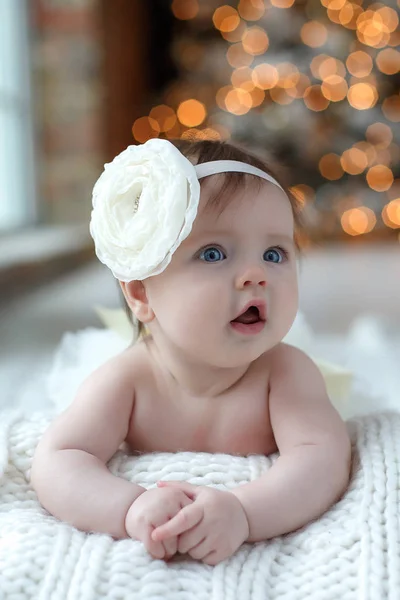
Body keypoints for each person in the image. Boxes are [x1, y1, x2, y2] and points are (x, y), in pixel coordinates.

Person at [31, 137, 351, 566]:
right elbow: (59, 459)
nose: (256, 275)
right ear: (142, 293)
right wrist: (128, 507)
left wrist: (244, 512)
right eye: (213, 253)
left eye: (274, 253)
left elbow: (323, 460)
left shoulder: (285, 374)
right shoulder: (128, 380)